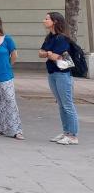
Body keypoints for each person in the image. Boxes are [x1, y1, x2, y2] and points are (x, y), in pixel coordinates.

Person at [39, 12, 79, 145]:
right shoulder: (49, 37)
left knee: (67, 105)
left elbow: (54, 57)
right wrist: (49, 53)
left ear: (55, 21)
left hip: (63, 74)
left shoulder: (62, 38)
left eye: (47, 19)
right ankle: (66, 132)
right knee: (61, 105)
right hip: (52, 73)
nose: (44, 21)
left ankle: (73, 136)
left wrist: (49, 53)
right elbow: (41, 53)